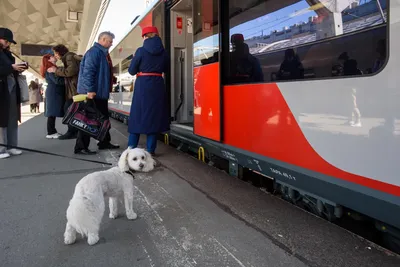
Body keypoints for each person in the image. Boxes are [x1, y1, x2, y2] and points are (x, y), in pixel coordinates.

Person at [127, 26, 169, 156]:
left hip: (142, 86)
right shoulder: (164, 52)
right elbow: (166, 69)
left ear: (145, 37)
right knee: (154, 117)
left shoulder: (140, 51)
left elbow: (131, 71)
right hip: (157, 85)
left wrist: (135, 59)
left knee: (137, 116)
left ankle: (131, 149)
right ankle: (150, 150)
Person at [76, 31, 119, 155]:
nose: (111, 44)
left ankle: (104, 142)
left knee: (103, 119)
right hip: (93, 94)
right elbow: (88, 73)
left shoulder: (101, 53)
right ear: (103, 39)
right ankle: (80, 147)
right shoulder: (94, 53)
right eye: (110, 41)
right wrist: (90, 90)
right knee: (87, 120)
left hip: (99, 93)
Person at [0, 27, 25, 159]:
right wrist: (11, 67)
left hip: (11, 88)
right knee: (1, 120)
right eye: (6, 40)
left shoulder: (6, 53)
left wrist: (17, 69)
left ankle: (12, 146)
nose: (8, 43)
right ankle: (1, 149)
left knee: (11, 118)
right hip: (2, 90)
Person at [47, 44, 81, 140]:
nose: (55, 56)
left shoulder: (69, 57)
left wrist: (56, 70)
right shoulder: (68, 57)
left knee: (68, 109)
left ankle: (72, 132)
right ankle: (74, 131)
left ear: (59, 52)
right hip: (74, 89)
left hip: (74, 89)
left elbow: (71, 71)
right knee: (71, 110)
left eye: (55, 53)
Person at [40, 54, 65, 139]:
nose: (55, 57)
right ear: (49, 60)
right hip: (54, 92)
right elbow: (57, 81)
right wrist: (66, 80)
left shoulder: (52, 68)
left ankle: (52, 131)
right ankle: (51, 132)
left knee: (52, 112)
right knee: (52, 113)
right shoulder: (50, 69)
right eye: (52, 56)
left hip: (53, 91)